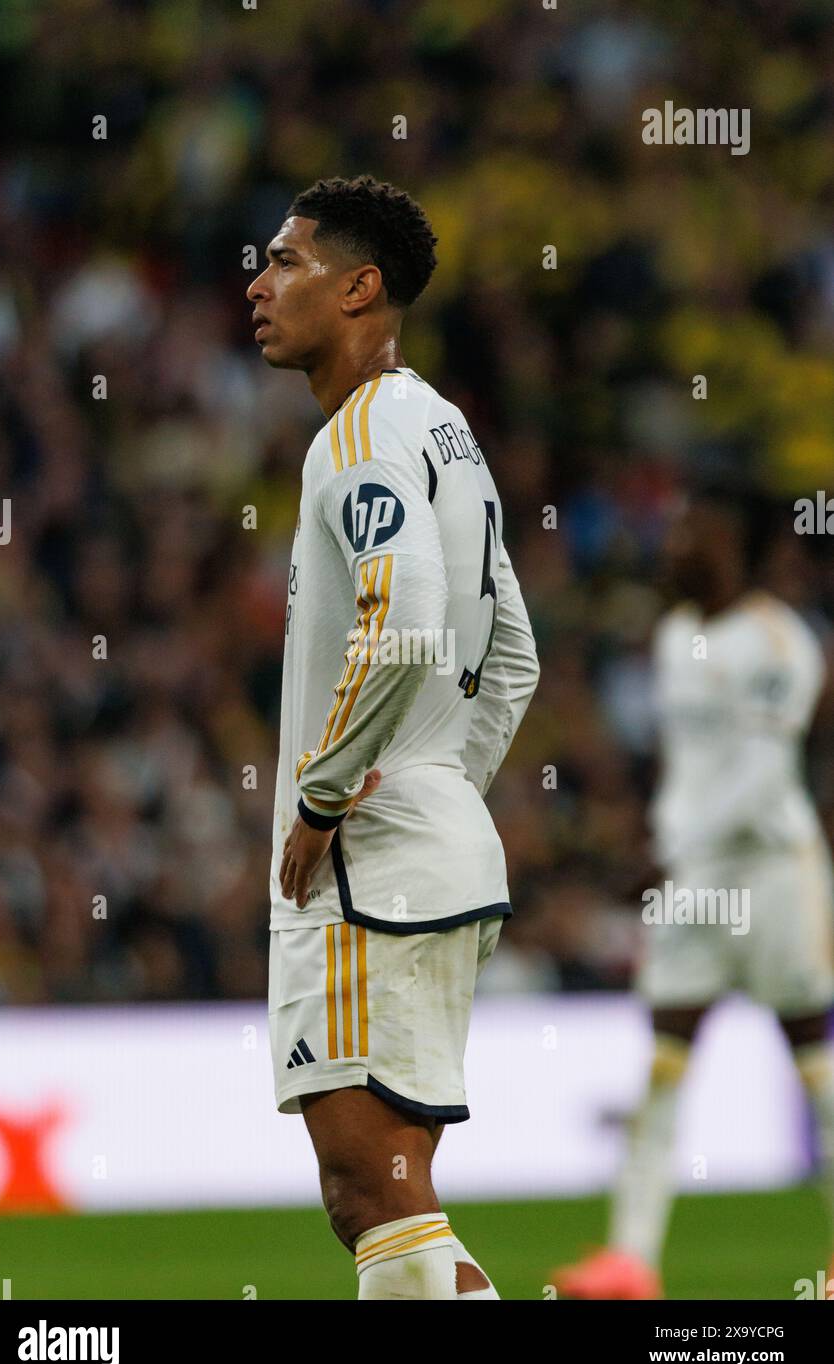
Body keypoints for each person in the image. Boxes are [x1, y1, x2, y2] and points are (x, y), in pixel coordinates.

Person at [247, 175, 539, 1299]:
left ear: (359, 287)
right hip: (433, 852)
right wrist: (437, 786)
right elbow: (509, 653)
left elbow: (406, 618)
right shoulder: (444, 427)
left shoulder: (359, 432)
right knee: (390, 1207)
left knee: (371, 1198)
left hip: (373, 867)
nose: (257, 285)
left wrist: (334, 795)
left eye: (285, 261)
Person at [553, 486, 834, 1299]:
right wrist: (665, 842)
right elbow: (694, 770)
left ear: (738, 548)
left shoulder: (781, 644)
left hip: (772, 871)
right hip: (692, 881)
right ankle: (630, 1260)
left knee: (814, 1059)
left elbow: (758, 776)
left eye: (693, 535)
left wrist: (668, 850)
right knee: (665, 1062)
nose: (674, 547)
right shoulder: (676, 636)